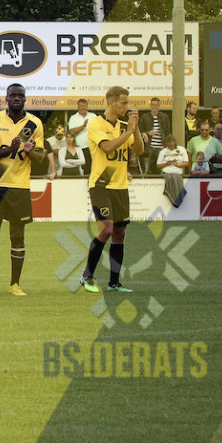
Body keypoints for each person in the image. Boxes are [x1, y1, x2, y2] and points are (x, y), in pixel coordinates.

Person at [0, 83, 46, 297]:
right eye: (12, 95)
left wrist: (30, 152)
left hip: (19, 188)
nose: (16, 98)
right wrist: (10, 149)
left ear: (25, 99)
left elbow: (41, 162)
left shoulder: (34, 123)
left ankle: (15, 284)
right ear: (6, 99)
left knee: (17, 235)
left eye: (20, 96)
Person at [78, 86, 143, 294]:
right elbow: (107, 147)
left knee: (119, 233)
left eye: (127, 102)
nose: (127, 106)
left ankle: (114, 283)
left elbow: (139, 150)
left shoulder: (126, 126)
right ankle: (87, 276)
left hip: (120, 186)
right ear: (111, 102)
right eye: (123, 103)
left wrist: (136, 128)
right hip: (101, 185)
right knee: (106, 228)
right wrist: (130, 131)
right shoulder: (96, 124)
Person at [138, 97, 170, 174]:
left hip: (160, 147)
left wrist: (164, 145)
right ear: (150, 105)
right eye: (153, 105)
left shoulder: (164, 117)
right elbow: (139, 130)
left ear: (159, 106)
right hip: (149, 147)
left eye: (156, 105)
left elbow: (168, 132)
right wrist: (147, 133)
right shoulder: (145, 117)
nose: (154, 107)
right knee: (146, 169)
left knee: (162, 169)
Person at [157, 135, 189, 206]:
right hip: (167, 173)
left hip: (178, 173)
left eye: (172, 146)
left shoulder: (182, 149)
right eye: (169, 146)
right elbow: (158, 165)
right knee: (170, 178)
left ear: (175, 143)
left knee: (177, 179)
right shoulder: (163, 152)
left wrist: (178, 165)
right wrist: (166, 164)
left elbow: (186, 162)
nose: (171, 148)